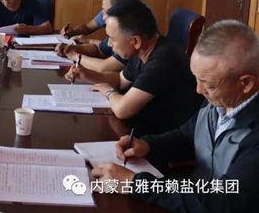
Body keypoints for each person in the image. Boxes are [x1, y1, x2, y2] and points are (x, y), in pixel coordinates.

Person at [92, 20, 259, 213]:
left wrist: (135, 184)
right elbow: (187, 136)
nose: (198, 90)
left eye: (209, 84)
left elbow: (225, 201)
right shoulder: (222, 99)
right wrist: (148, 145)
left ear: (245, 83)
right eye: (196, 78)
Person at [66, 0, 202, 135]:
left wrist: (108, 91)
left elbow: (122, 109)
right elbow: (120, 80)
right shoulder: (142, 51)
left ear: (136, 41)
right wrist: (88, 75)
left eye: (112, 39)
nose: (109, 44)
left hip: (166, 138)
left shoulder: (163, 60)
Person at [56, 0, 133, 72]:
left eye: (107, 12)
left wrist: (75, 56)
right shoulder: (116, 32)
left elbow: (104, 67)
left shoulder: (129, 35)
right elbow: (98, 49)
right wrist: (73, 48)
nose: (103, 17)